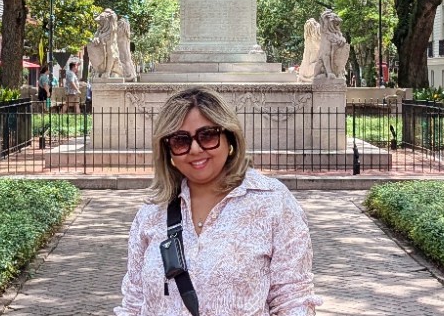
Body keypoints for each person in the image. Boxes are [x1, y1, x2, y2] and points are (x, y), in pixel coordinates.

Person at [115, 87, 320, 316]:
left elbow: (294, 301)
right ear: (168, 150)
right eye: (180, 141)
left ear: (229, 138)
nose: (195, 149)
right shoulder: (152, 212)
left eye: (208, 135)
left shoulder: (272, 202)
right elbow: (133, 302)